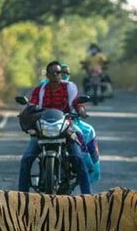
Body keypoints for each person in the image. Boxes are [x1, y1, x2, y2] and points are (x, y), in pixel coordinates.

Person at [18, 61, 92, 194]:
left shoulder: (69, 88)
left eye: (58, 72)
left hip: (65, 128)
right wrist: (25, 110)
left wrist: (81, 110)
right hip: (43, 129)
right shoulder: (40, 90)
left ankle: (88, 196)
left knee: (78, 158)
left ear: (61, 74)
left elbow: (76, 102)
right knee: (27, 159)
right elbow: (32, 104)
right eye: (52, 73)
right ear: (47, 75)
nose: (56, 75)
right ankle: (20, 196)